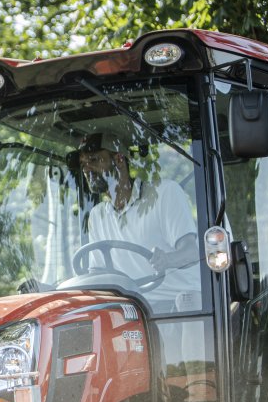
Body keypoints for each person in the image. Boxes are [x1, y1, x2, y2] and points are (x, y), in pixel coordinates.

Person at [77, 132, 200, 311]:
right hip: (133, 309)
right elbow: (98, 273)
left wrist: (167, 259)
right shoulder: (97, 216)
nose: (86, 169)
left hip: (180, 305)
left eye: (94, 160)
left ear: (119, 159)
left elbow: (191, 253)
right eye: (83, 164)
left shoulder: (163, 194)